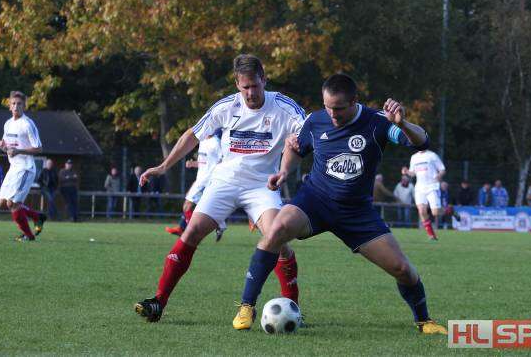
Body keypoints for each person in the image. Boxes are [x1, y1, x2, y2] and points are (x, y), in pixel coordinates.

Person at [232, 73, 447, 335]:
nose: (332, 114)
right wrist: (284, 171)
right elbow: (296, 147)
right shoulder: (315, 120)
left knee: (402, 269)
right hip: (315, 201)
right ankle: (247, 306)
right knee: (275, 230)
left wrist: (402, 123)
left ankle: (424, 321)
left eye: (339, 108)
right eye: (328, 107)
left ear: (354, 101)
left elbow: (422, 142)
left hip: (356, 212)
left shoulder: (378, 122)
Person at [134, 54, 304, 323]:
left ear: (264, 79)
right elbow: (192, 135)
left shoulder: (284, 107)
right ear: (237, 84)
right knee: (191, 232)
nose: (250, 93)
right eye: (245, 87)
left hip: (262, 185)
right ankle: (158, 302)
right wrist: (164, 166)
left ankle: (293, 307)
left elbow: (305, 134)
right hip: (225, 181)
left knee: (277, 239)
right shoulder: (226, 106)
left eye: (255, 86)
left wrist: (290, 159)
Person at [0, 91, 46, 241]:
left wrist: (19, 151)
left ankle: (29, 236)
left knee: (13, 203)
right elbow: (8, 146)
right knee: (1, 202)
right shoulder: (8, 124)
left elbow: (39, 149)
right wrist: (2, 146)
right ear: (9, 106)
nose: (16, 106)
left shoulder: (27, 124)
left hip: (25, 168)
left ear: (24, 106)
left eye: (19, 104)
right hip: (14, 168)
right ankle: (37, 216)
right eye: (13, 103)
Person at [165, 131, 224, 241]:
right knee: (196, 205)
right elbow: (205, 162)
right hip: (200, 179)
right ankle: (218, 225)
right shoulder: (202, 141)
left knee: (187, 205)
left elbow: (223, 161)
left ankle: (188, 230)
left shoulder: (216, 142)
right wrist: (193, 164)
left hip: (207, 180)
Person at [408, 149, 446, 241]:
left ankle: (450, 210)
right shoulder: (414, 157)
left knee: (435, 212)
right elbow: (412, 173)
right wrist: (406, 172)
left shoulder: (432, 155)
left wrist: (438, 176)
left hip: (432, 186)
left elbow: (442, 169)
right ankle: (432, 235)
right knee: (421, 211)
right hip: (419, 188)